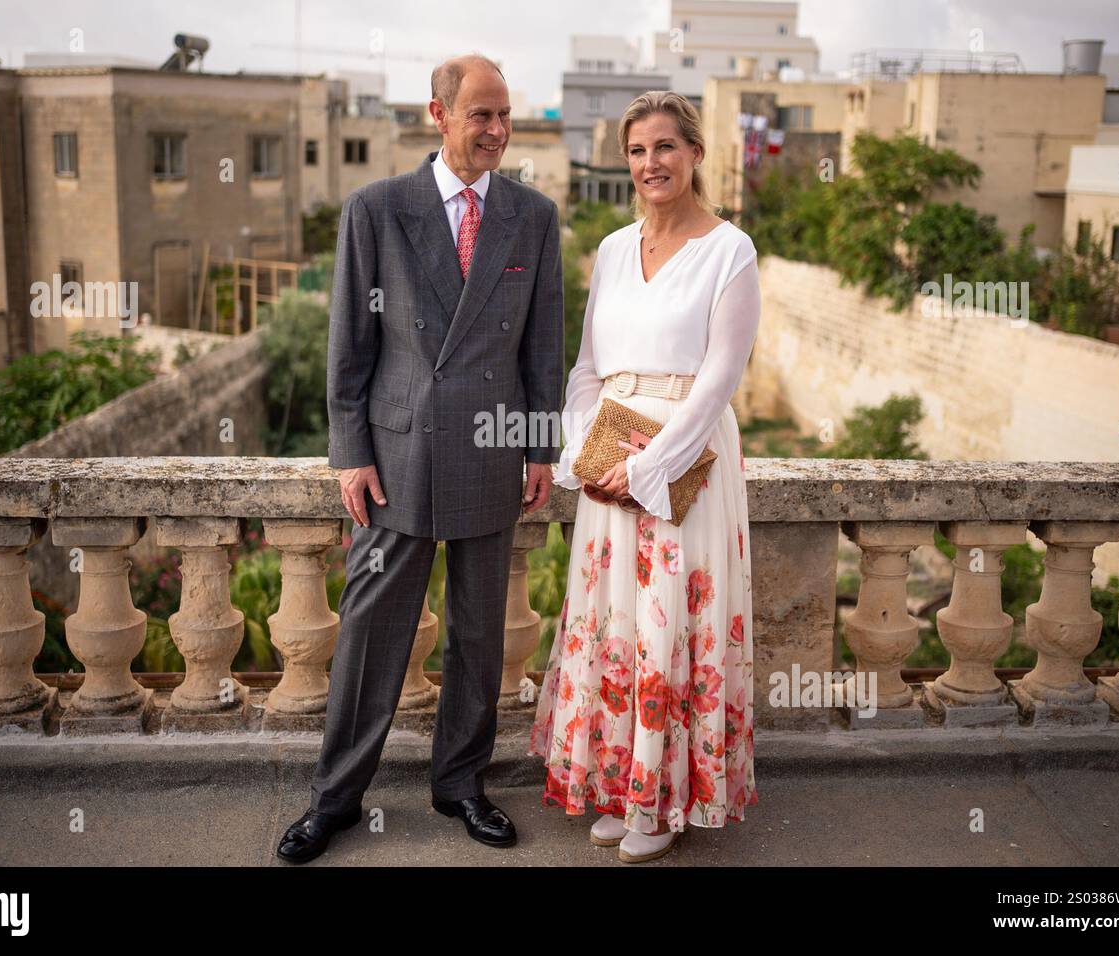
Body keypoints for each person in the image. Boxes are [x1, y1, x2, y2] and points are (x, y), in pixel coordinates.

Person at [277, 53, 564, 864]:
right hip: (398, 457)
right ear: (437, 114)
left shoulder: (533, 217)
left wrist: (540, 442)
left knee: (478, 633)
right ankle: (333, 799)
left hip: (491, 452)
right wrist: (349, 452)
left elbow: (545, 341)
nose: (498, 131)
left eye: (505, 115)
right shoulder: (375, 209)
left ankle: (461, 785)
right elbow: (350, 345)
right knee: (371, 633)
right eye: (481, 114)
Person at [528, 90, 762, 863]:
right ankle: (624, 783)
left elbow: (721, 378)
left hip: (685, 464)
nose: (650, 163)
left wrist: (649, 467)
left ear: (694, 153)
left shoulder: (731, 250)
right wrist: (582, 458)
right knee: (616, 626)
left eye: (665, 146)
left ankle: (662, 804)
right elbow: (590, 368)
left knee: (670, 626)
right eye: (637, 150)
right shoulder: (612, 249)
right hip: (611, 466)